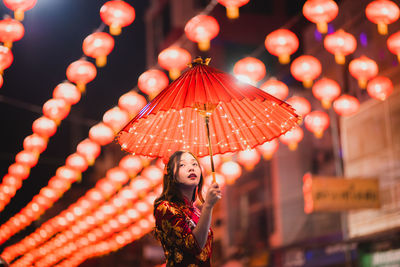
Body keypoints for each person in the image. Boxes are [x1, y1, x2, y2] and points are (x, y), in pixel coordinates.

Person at [153, 150, 221, 267]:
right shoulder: (165, 208)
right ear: (171, 175)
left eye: (194, 164)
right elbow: (194, 245)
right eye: (182, 165)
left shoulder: (196, 211)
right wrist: (208, 206)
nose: (191, 168)